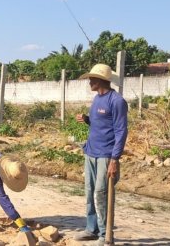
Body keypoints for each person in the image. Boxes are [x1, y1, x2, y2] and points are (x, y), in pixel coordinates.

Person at [73, 64, 128, 245]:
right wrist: (87, 120)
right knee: (90, 192)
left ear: (101, 80)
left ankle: (105, 234)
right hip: (91, 152)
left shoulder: (117, 101)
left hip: (106, 155)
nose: (89, 82)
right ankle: (92, 229)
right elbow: (100, 125)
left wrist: (115, 159)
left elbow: (121, 131)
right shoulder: (97, 99)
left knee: (101, 193)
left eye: (92, 79)